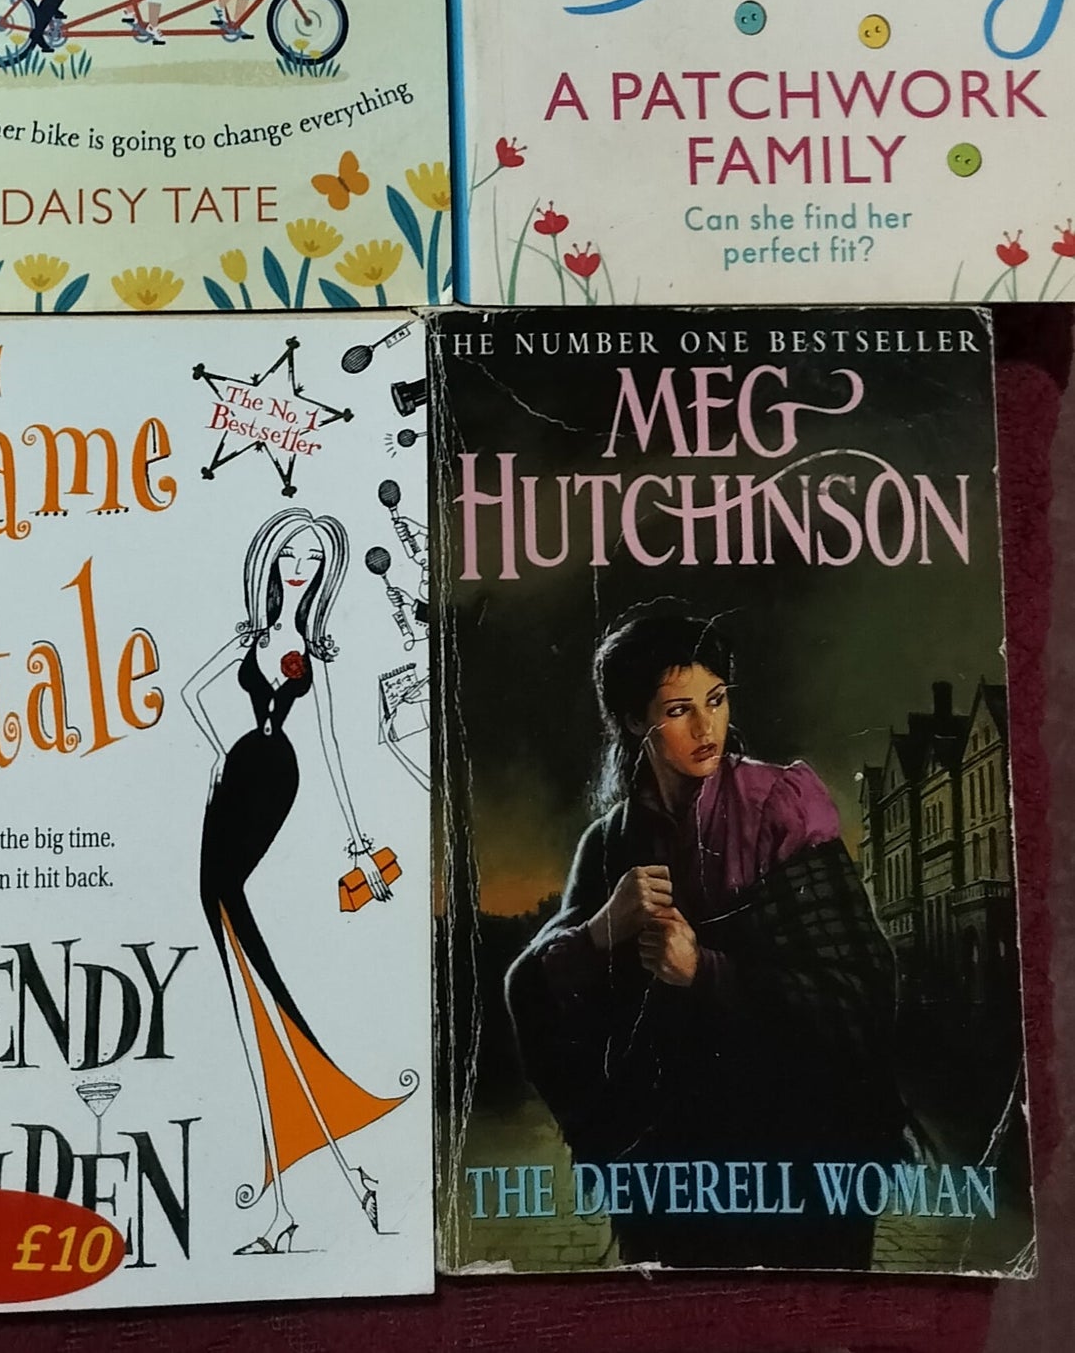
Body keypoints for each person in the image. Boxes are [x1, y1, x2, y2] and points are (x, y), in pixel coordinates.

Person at [504, 600, 904, 1271]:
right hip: (670, 1175)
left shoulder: (778, 809)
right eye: (678, 708)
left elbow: (859, 990)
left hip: (797, 1166)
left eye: (715, 700)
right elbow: (529, 990)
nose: (706, 726)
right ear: (635, 719)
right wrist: (599, 932)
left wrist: (705, 970)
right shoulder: (609, 843)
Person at [183, 510, 408, 1253]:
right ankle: (331, 1179)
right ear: (271, 560)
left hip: (276, 778)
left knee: (234, 926)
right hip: (235, 773)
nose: (301, 566)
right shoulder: (250, 637)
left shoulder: (317, 649)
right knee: (226, 921)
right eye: (290, 553)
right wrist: (218, 752)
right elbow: (192, 693)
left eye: (313, 557)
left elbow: (335, 745)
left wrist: (359, 842)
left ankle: (299, 1195)